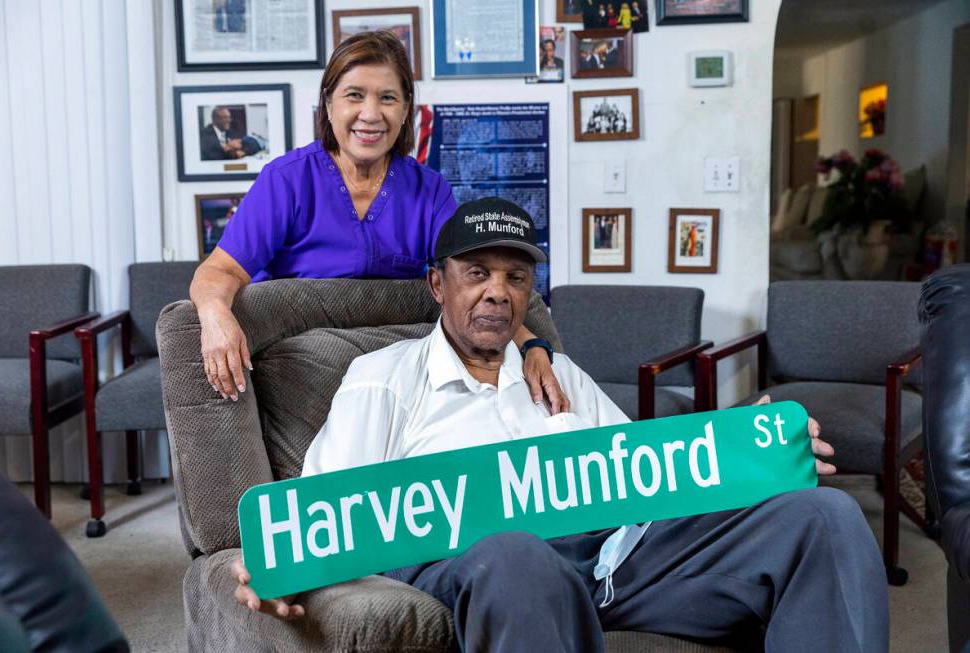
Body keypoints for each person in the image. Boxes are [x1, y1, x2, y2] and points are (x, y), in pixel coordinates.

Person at [231, 197, 888, 653]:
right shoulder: (382, 378)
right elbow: (321, 510)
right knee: (517, 549)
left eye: (515, 277)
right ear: (437, 284)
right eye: (477, 273)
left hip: (615, 563)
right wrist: (278, 564)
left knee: (824, 515)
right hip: (489, 566)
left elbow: (646, 482)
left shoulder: (559, 375)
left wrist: (748, 450)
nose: (497, 291)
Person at [190, 32, 566, 414]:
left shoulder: (429, 190)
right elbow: (219, 271)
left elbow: (473, 280)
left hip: (394, 373)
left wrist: (531, 345)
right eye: (355, 95)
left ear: (405, 111)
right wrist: (215, 317)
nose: (370, 114)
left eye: (387, 98)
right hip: (301, 374)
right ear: (328, 104)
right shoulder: (286, 180)